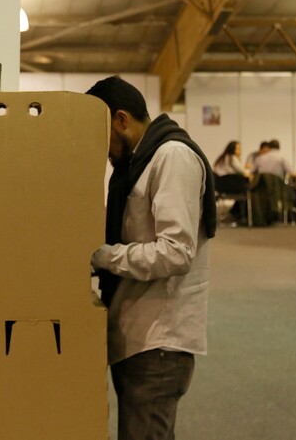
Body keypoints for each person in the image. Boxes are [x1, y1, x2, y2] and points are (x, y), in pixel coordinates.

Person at [86, 76, 217, 440]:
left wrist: (103, 257)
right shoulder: (139, 163)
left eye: (103, 139)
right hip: (138, 332)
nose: (104, 152)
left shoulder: (171, 157)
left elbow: (176, 252)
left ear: (122, 120)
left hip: (160, 341)